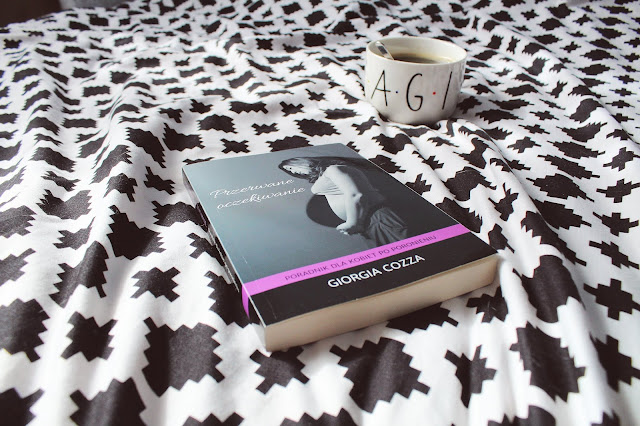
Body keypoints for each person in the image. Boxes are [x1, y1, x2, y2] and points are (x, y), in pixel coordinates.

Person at [278, 156, 408, 246]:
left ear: (300, 161)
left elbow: (355, 194)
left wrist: (352, 223)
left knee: (405, 252)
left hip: (376, 218)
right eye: (289, 171)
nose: (294, 171)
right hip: (367, 222)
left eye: (291, 166)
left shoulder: (333, 169)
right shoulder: (329, 173)